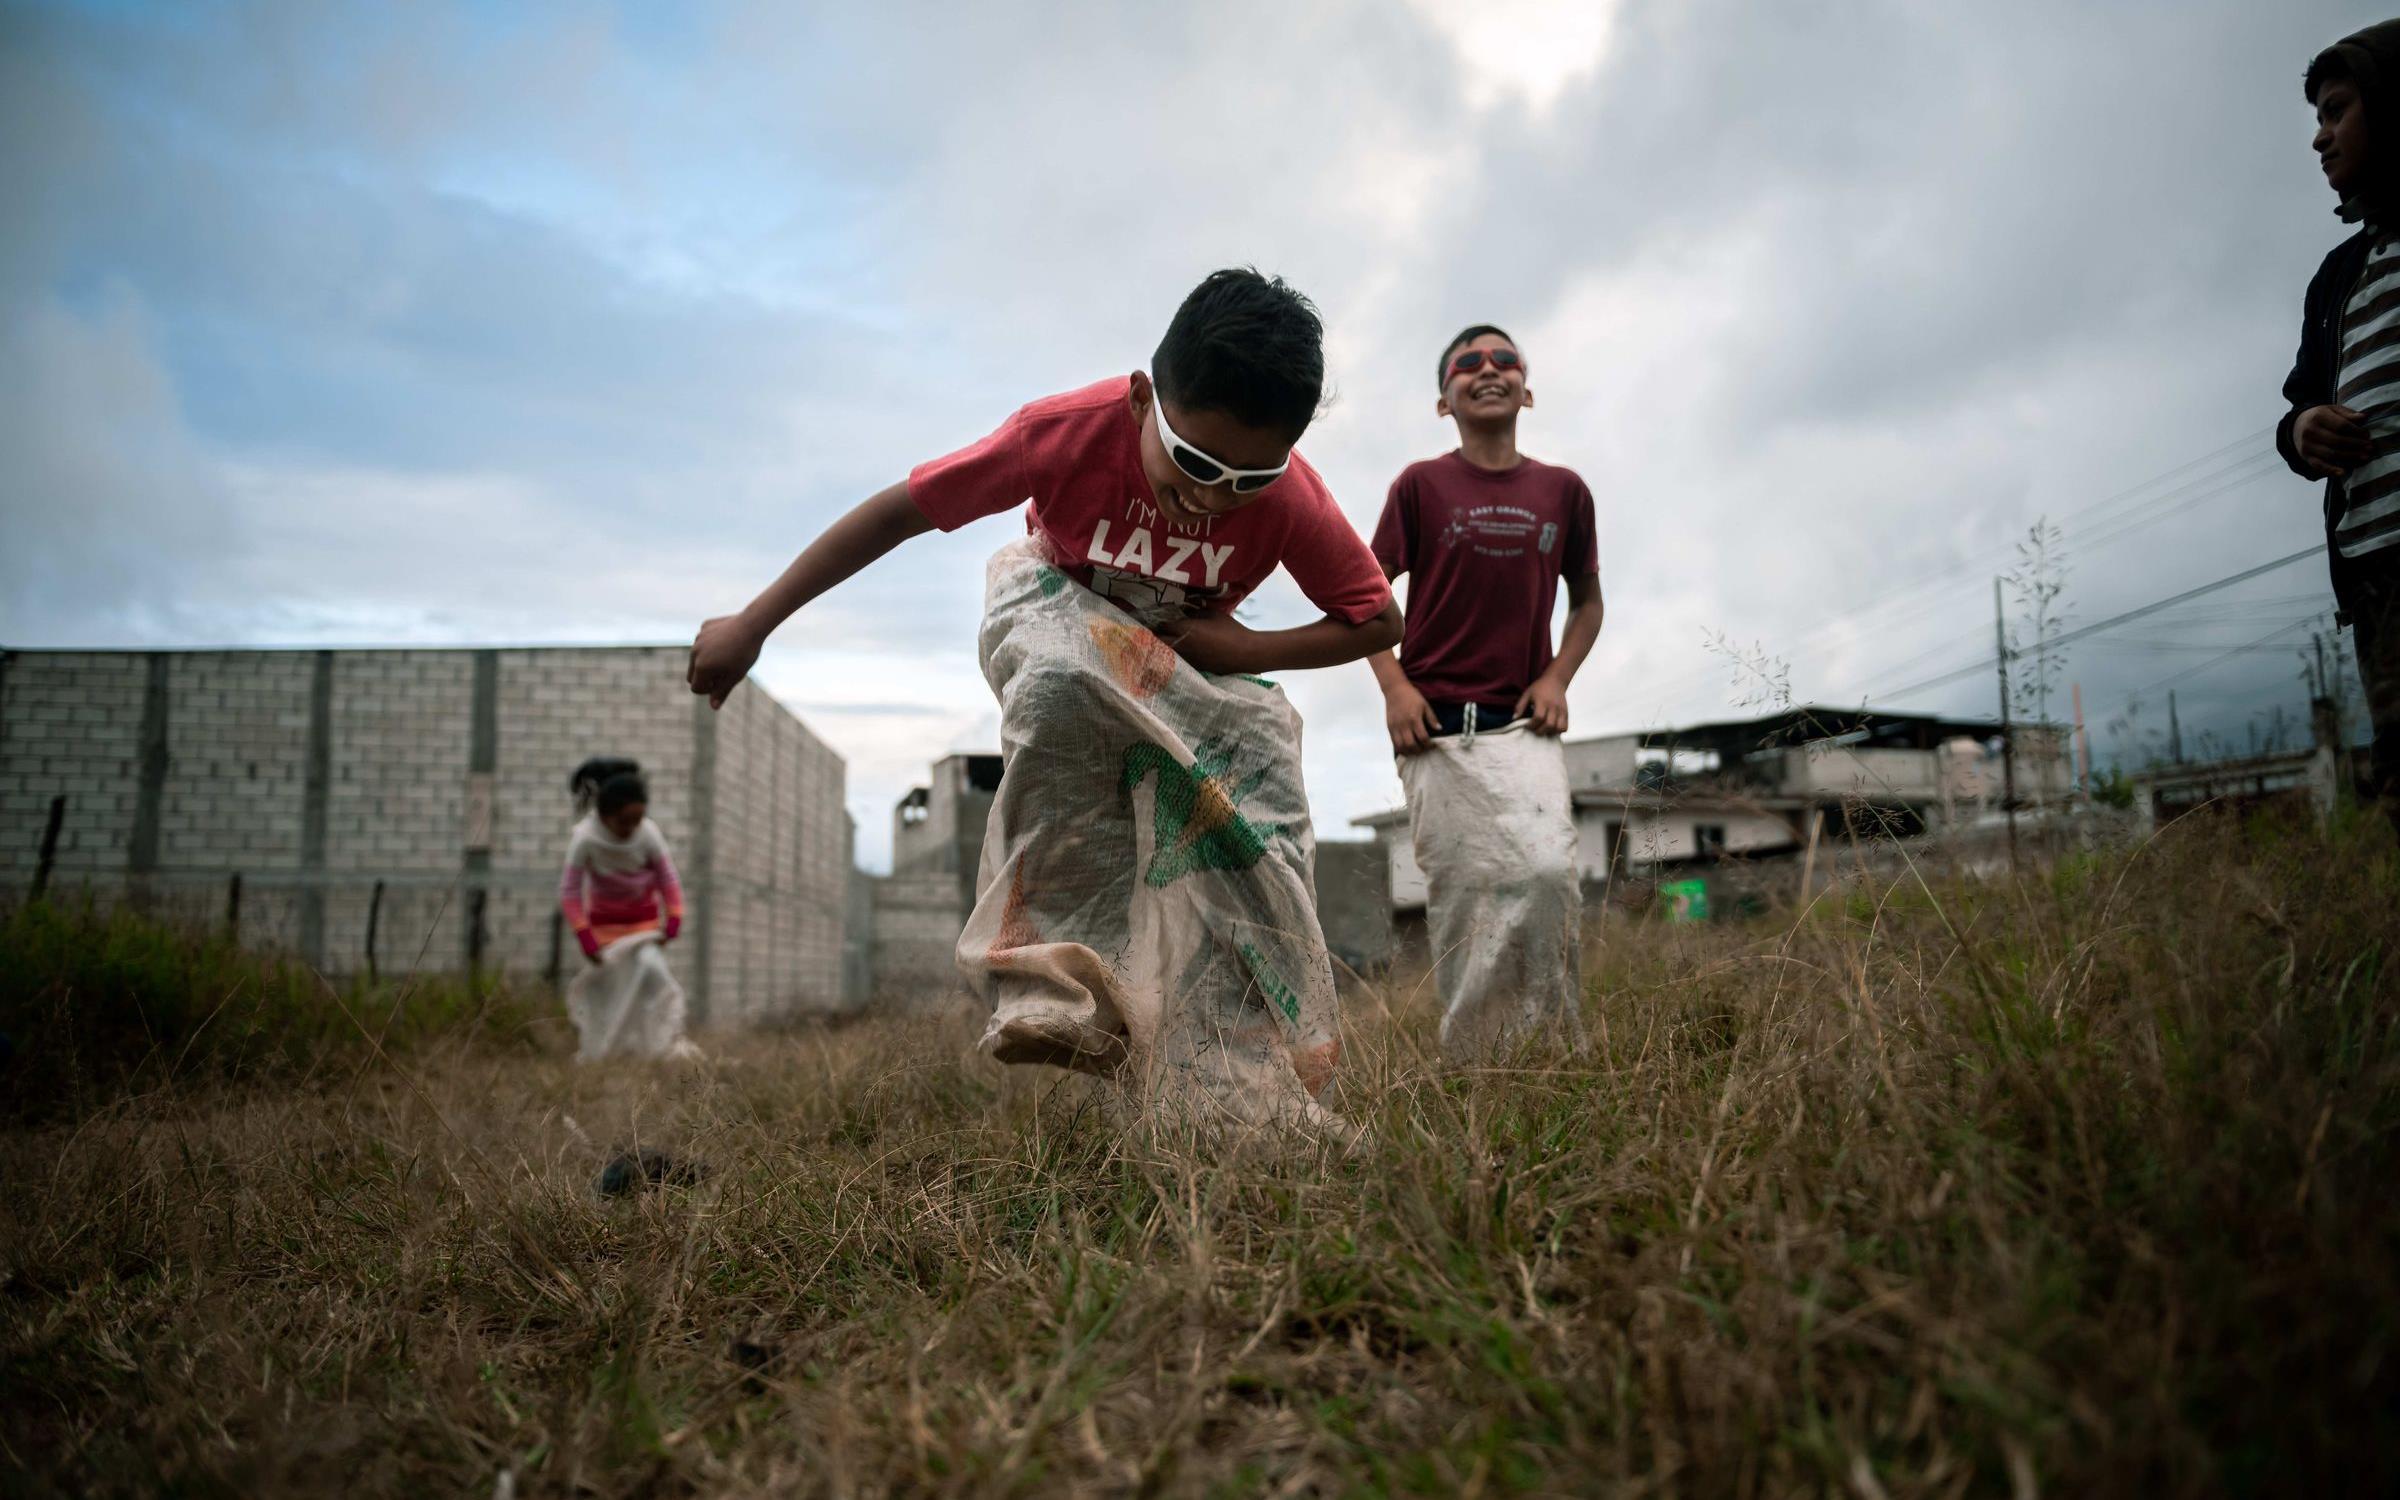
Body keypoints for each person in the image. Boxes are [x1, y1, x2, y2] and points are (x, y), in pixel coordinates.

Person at [687, 269, 1401, 1128]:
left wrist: (1245, 648)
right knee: (1065, 680)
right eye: (1196, 465)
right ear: (1143, 400)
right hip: (1056, 602)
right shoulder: (1060, 436)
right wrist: (755, 622)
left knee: (1267, 785)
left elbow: (1374, 619)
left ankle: (1251, 1055)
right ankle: (1047, 980)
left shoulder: (1292, 499)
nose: (1211, 502)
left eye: (1246, 482)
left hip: (1182, 647)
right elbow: (897, 514)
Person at [1367, 325, 1603, 1057]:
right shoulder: (1419, 485)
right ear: (1445, 401)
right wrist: (1394, 689)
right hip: (1435, 728)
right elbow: (1364, 598)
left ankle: (1551, 1055)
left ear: (1527, 390)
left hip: (1523, 728)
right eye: (1467, 365)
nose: (1488, 370)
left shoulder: (1563, 491)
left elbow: (1588, 601)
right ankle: (1476, 1067)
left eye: (1505, 361)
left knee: (1546, 875)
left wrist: (1556, 676)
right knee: (1470, 901)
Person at [2281, 18, 2400, 825]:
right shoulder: (2340, 275)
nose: (2321, 138)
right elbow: (2298, 405)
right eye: (2318, 119)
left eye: (2338, 109)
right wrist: (2303, 430)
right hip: (2380, 586)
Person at [558, 760, 697, 1062]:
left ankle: (658, 1046)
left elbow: (668, 879)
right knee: (613, 992)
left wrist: (673, 919)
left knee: (653, 973)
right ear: (605, 816)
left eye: (637, 820)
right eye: (623, 822)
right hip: (605, 934)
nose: (631, 829)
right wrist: (585, 937)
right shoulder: (585, 839)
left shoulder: (648, 834)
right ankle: (607, 1052)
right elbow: (570, 893)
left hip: (644, 930)